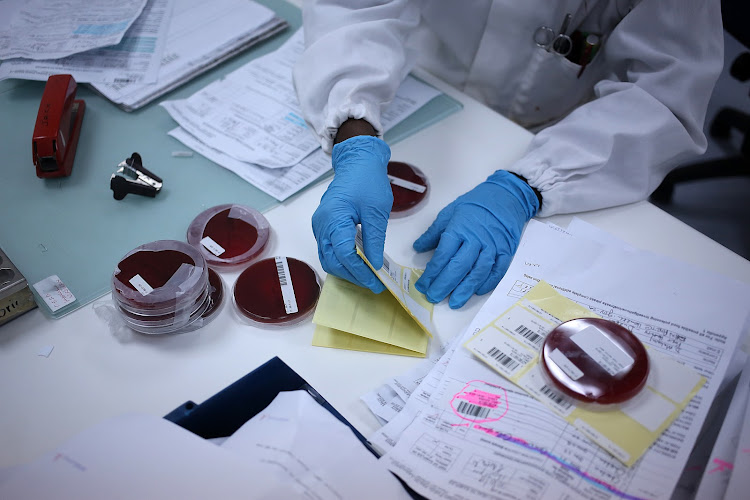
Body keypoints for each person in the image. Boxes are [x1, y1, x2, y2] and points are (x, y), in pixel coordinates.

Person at [293, 0, 723, 309]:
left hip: (570, 139)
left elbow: (664, 92)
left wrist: (529, 185)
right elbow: (352, 7)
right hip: (422, 89)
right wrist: (354, 132)